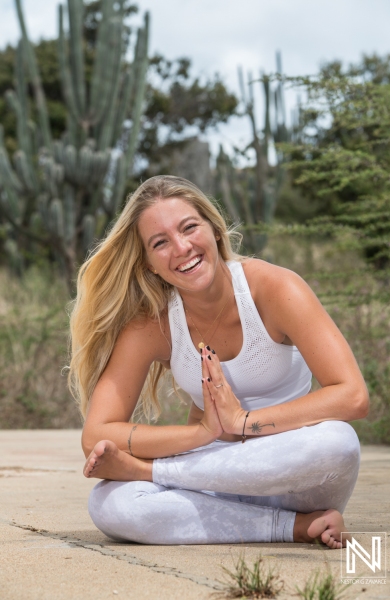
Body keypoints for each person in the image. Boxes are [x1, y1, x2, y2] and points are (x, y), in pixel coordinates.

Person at [69, 175, 369, 548]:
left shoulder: (274, 289)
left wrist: (241, 423)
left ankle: (155, 472)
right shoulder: (153, 325)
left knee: (337, 444)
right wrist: (203, 433)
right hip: (213, 476)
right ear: (148, 265)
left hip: (292, 472)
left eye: (189, 227)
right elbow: (95, 435)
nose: (181, 247)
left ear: (214, 229)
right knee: (109, 504)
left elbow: (352, 396)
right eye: (160, 243)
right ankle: (294, 528)